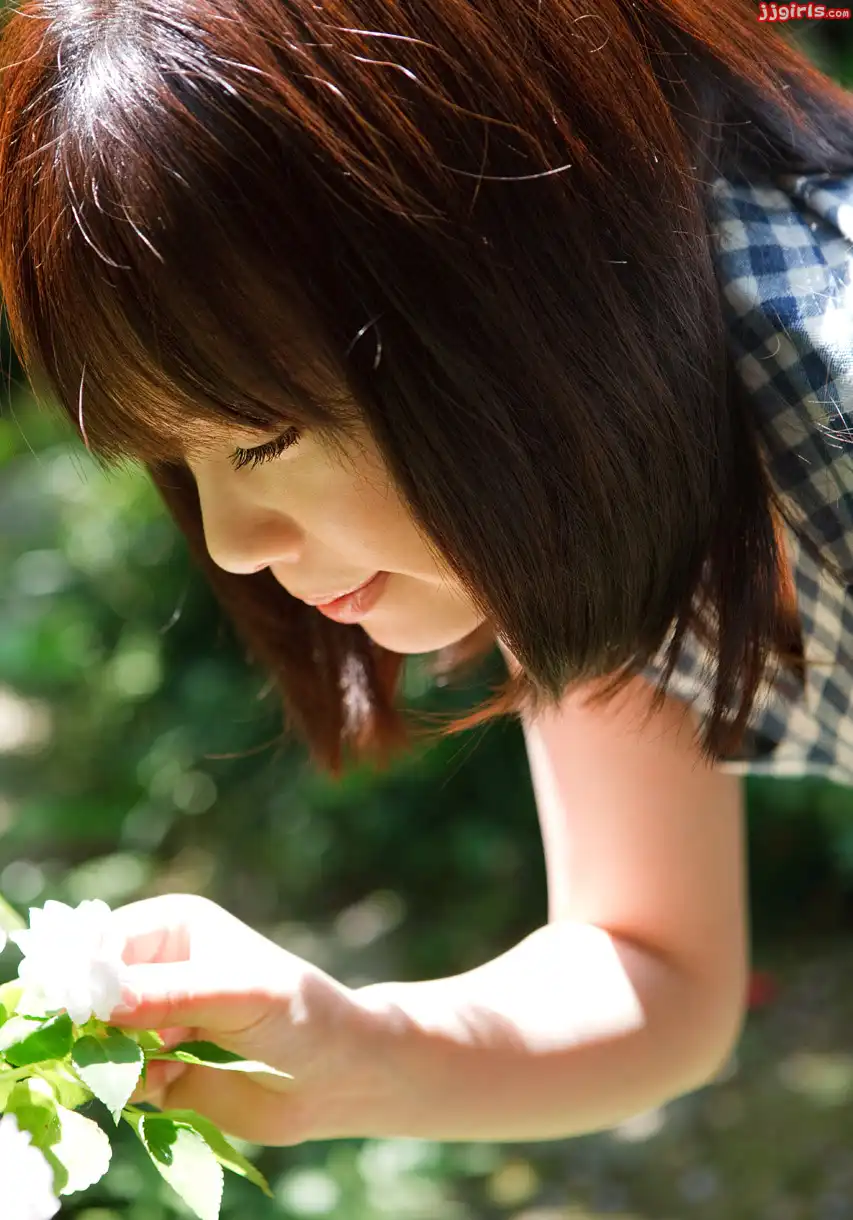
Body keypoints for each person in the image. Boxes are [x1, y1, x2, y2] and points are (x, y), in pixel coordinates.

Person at [0, 0, 852, 1148]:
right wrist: (352, 1051)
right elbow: (651, 959)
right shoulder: (596, 461)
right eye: (181, 461)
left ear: (496, 290)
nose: (233, 542)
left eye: (258, 439)